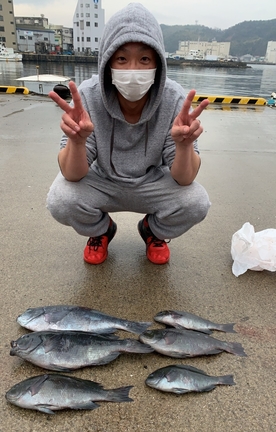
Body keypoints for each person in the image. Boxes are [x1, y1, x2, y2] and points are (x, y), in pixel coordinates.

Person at [47, 2, 211, 266]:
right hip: (103, 181)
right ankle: (100, 230)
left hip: (151, 183)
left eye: (145, 59)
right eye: (121, 59)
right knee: (60, 199)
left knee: (196, 202)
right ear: (107, 62)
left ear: (158, 63)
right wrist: (78, 143)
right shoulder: (88, 96)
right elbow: (72, 174)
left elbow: (185, 178)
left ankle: (152, 231)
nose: (133, 69)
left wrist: (184, 147)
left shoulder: (175, 100)